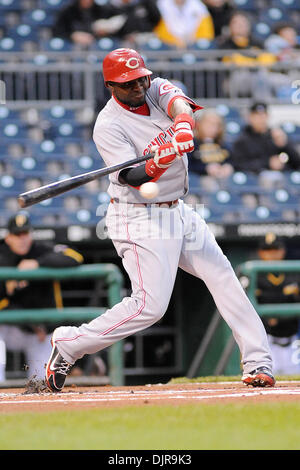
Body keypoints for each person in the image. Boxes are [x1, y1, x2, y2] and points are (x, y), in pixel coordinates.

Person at [45, 47, 275, 393]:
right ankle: (69, 344)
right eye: (129, 83)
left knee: (223, 276)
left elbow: (179, 103)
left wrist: (182, 123)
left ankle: (258, 361)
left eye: (141, 78)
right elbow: (134, 178)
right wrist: (160, 160)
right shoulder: (108, 125)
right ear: (111, 85)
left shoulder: (154, 88)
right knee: (150, 307)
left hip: (178, 211)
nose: (138, 86)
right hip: (136, 215)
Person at [0, 213, 84, 381]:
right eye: (17, 235)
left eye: (26, 233)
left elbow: (75, 257)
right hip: (12, 327)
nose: (22, 239)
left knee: (42, 382)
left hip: (41, 332)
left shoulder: (40, 249)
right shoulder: (2, 254)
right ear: (8, 237)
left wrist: (38, 263)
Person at [256, 233, 300, 375]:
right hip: (266, 342)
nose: (272, 254)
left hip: (293, 341)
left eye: (275, 250)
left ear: (283, 251)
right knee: (263, 381)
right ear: (261, 253)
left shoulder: (293, 273)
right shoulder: (255, 275)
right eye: (267, 250)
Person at [231, 102, 300, 174]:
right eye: (257, 116)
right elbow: (239, 165)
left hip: (281, 178)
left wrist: (285, 145)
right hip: (255, 180)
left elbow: (296, 163)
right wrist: (268, 163)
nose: (261, 119)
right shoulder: (242, 140)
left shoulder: (276, 136)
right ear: (250, 117)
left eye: (263, 115)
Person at [52, 0, 120, 47]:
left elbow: (119, 22)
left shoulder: (102, 10)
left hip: (96, 44)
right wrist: (72, 35)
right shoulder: (68, 11)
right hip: (73, 46)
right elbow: (57, 30)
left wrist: (105, 31)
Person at [188, 109, 233, 178]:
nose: (213, 128)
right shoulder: (191, 144)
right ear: (199, 124)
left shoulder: (223, 144)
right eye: (209, 123)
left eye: (216, 125)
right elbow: (187, 166)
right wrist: (205, 168)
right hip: (199, 180)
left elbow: (233, 161)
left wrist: (228, 166)